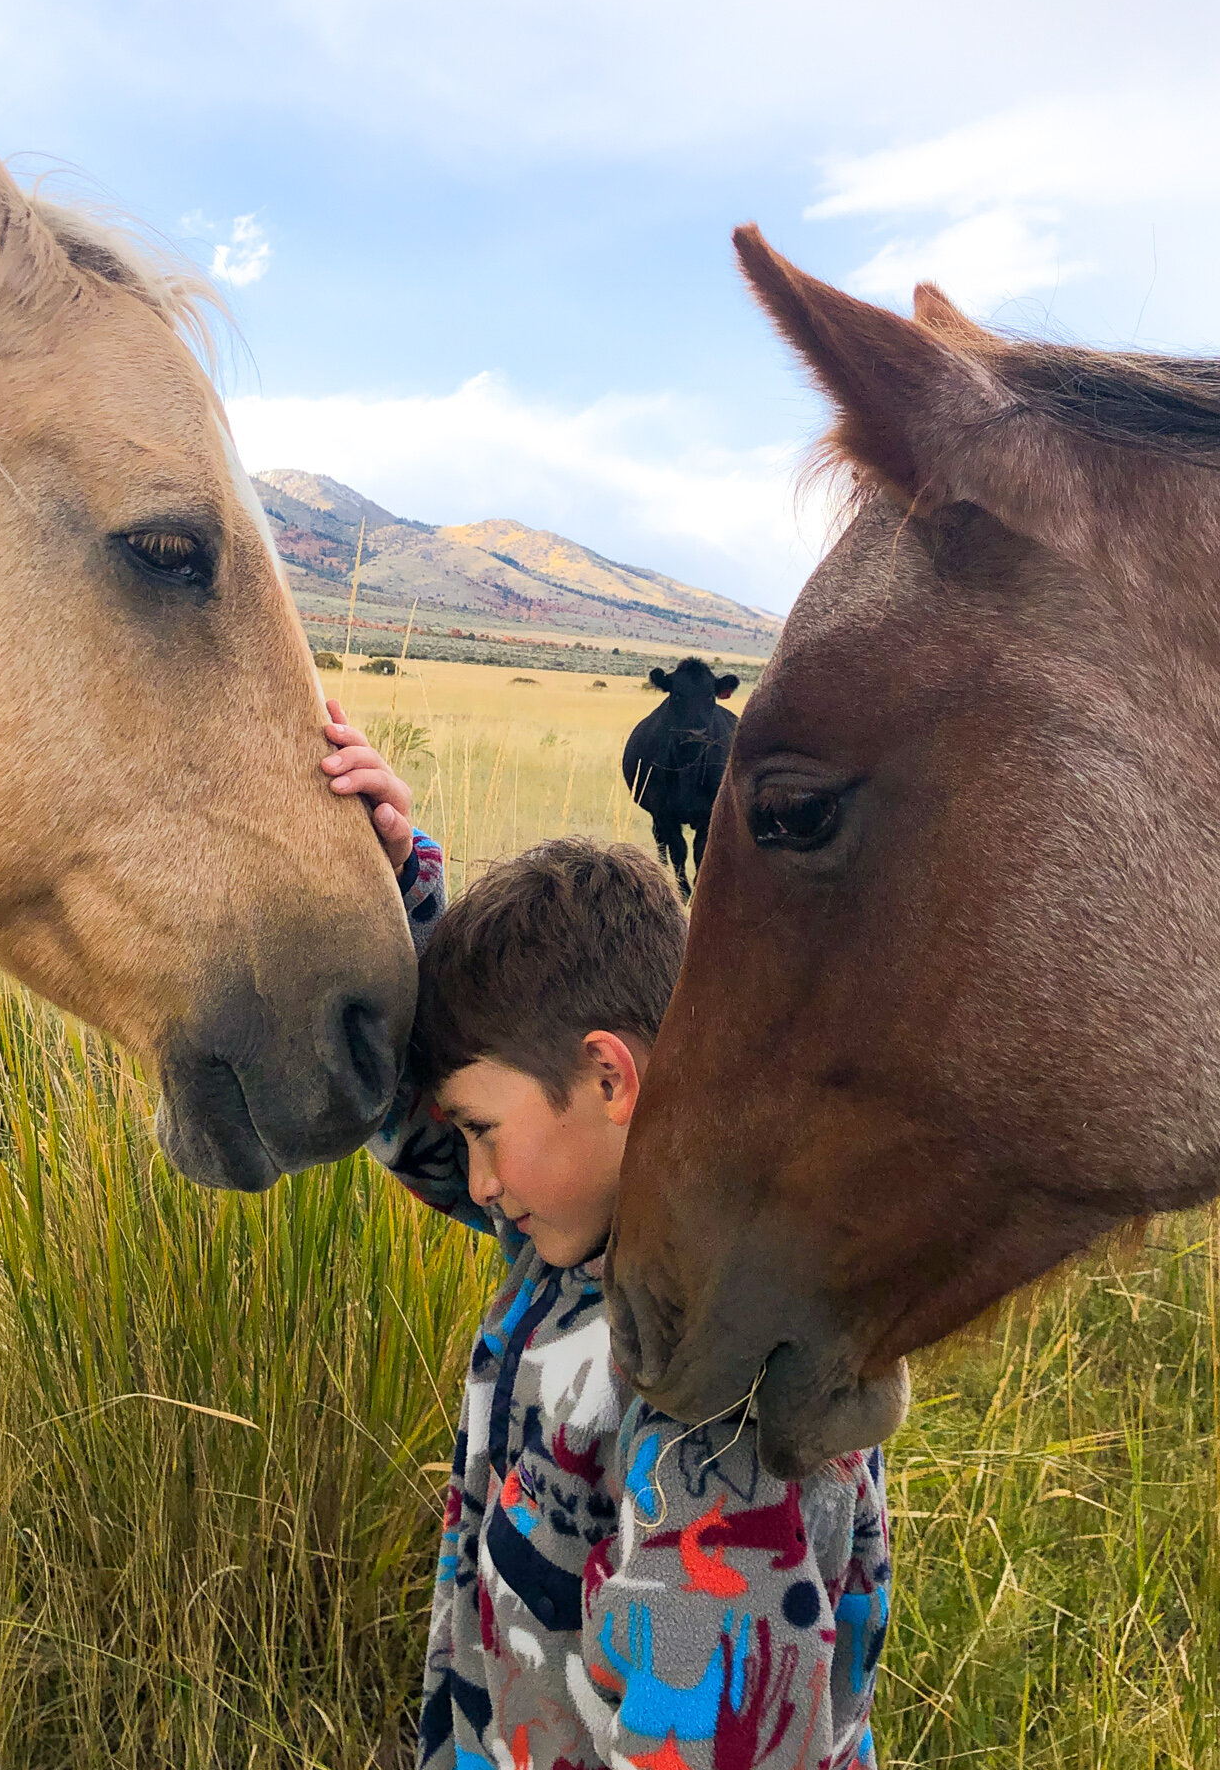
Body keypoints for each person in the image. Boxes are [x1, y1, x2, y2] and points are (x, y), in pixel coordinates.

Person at [321, 703, 892, 1770]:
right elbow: (438, 1129)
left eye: (485, 1133)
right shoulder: (588, 1243)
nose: (478, 1183)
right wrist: (398, 898)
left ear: (606, 1078)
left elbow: (713, 1732)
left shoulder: (715, 1383)